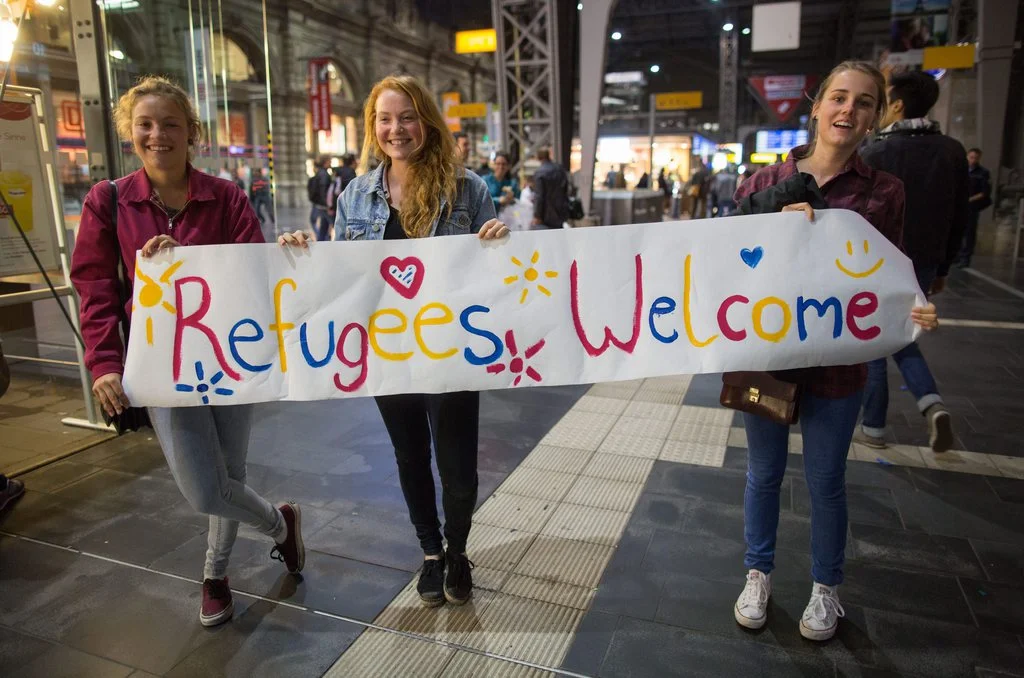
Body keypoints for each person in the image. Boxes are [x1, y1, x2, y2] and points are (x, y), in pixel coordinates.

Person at [70, 75, 304, 628]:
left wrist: (289, 254)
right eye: (145, 125)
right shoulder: (107, 202)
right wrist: (104, 362)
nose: (158, 135)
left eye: (170, 124)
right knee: (207, 489)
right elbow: (95, 287)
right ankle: (280, 524)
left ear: (191, 132)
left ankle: (215, 575)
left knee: (230, 470)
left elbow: (253, 271)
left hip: (229, 357)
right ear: (131, 134)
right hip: (162, 367)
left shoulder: (226, 197)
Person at [278, 74, 509, 608]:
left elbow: (495, 280)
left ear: (425, 121)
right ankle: (429, 552)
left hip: (452, 347)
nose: (395, 128)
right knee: (409, 455)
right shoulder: (356, 194)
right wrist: (303, 252)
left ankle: (457, 550)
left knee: (457, 463)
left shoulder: (467, 188)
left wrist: (500, 243)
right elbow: (343, 276)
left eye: (406, 116)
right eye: (384, 118)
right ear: (371, 126)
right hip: (387, 352)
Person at [730, 61, 938, 642]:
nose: (849, 110)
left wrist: (913, 308)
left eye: (864, 102)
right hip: (767, 356)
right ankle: (757, 572)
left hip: (841, 365)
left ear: (876, 117)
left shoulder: (884, 192)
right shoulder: (760, 181)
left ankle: (826, 588)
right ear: (816, 105)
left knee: (826, 480)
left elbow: (892, 275)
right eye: (839, 98)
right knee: (763, 474)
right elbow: (726, 258)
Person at [857, 70, 965, 453]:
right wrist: (944, 269)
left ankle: (873, 426)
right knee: (903, 334)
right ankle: (930, 403)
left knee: (872, 337)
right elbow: (960, 217)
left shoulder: (877, 153)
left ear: (897, 105)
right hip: (924, 261)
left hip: (878, 260)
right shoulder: (953, 151)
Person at [957, 148, 992, 268]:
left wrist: (969, 200)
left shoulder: (982, 173)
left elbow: (984, 192)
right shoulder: (961, 170)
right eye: (971, 157)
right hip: (959, 206)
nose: (972, 160)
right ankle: (956, 256)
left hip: (972, 207)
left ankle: (965, 257)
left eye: (975, 158)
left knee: (969, 232)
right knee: (958, 231)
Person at [531, 148, 570, 229]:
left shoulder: (539, 172)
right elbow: (566, 190)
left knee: (546, 239)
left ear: (539, 157)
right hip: (560, 211)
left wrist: (537, 215)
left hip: (546, 215)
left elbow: (539, 196)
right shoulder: (560, 169)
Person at [308, 156, 333, 241]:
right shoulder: (324, 174)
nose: (331, 163)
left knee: (323, 224)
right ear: (325, 162)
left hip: (320, 204)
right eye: (329, 161)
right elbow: (324, 191)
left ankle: (322, 239)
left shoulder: (321, 173)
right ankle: (323, 239)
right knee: (330, 223)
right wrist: (327, 205)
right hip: (323, 205)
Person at [326, 154, 358, 219]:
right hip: (346, 202)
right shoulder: (350, 172)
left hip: (337, 200)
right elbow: (352, 189)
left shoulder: (338, 171)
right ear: (353, 162)